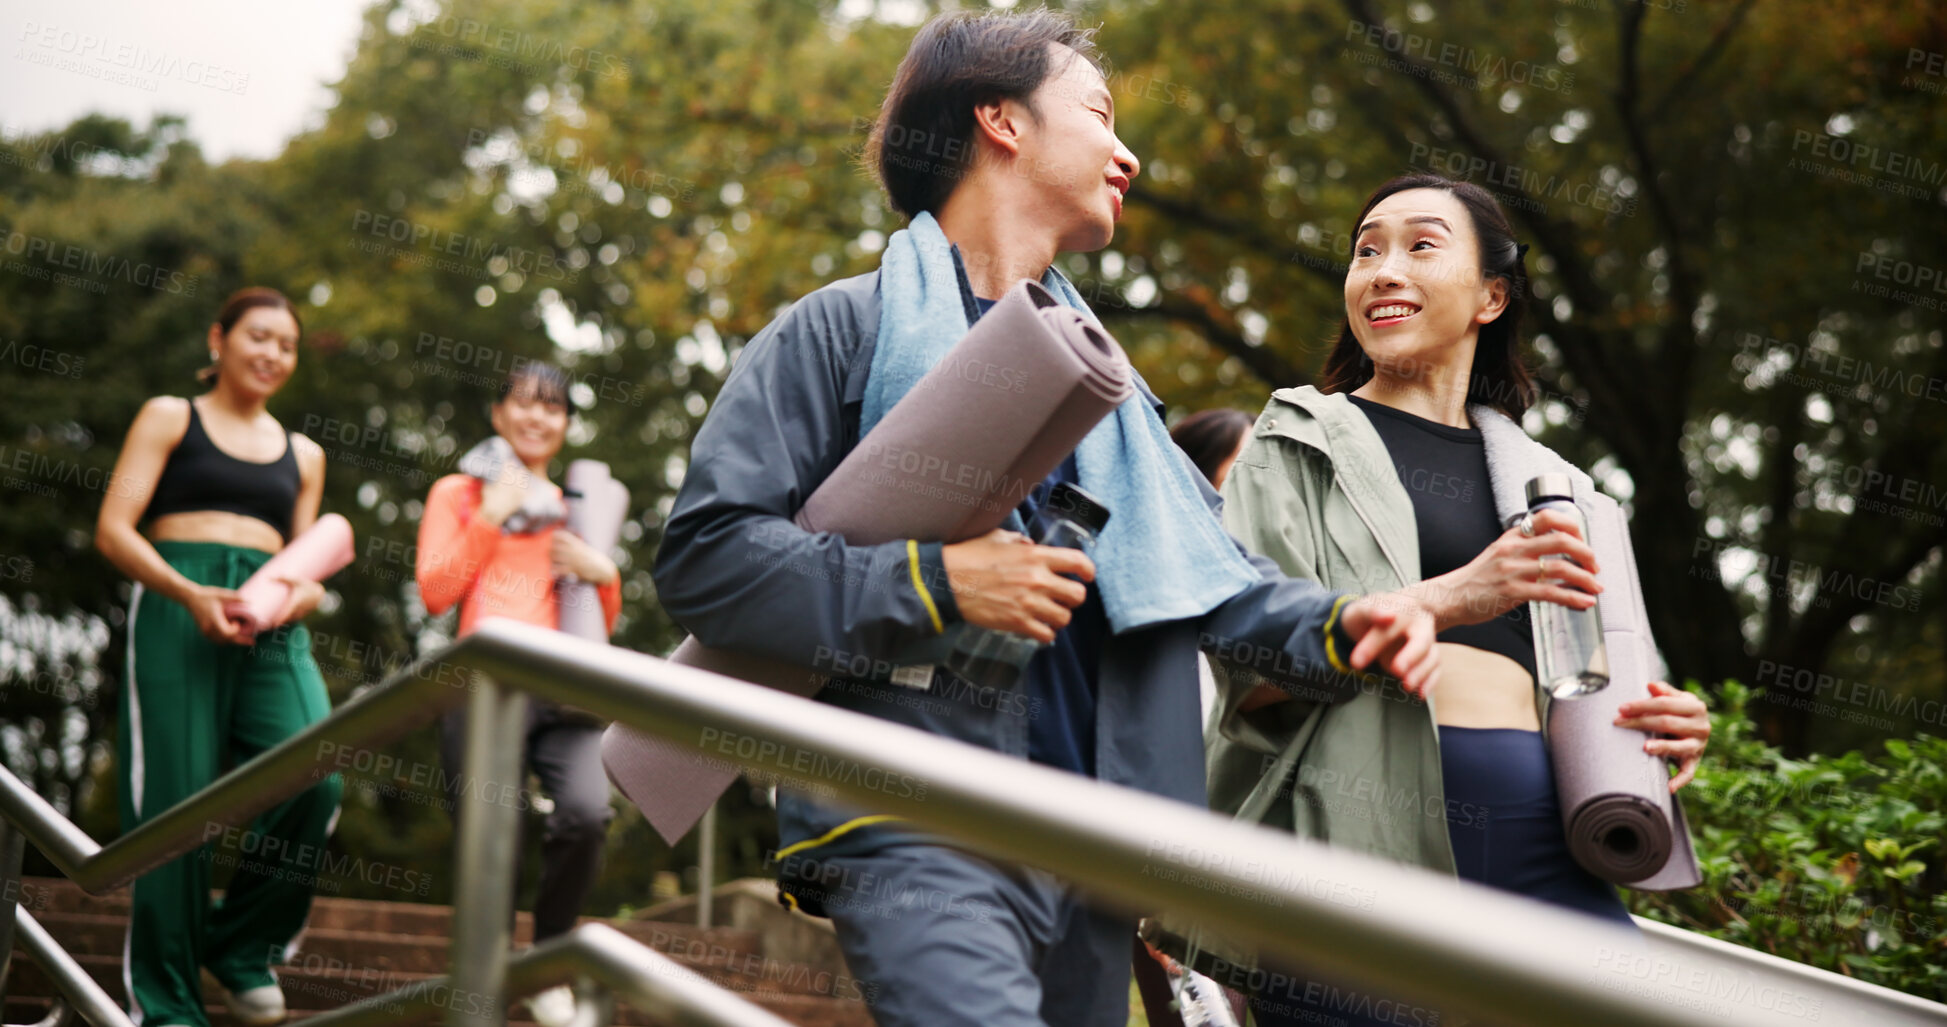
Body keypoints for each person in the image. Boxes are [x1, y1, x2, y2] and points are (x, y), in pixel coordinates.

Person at [649, 12, 1442, 1027]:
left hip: (1094, 843)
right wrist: (932, 583)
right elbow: (707, 557)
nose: (1130, 152)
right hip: (913, 818)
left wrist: (1346, 625)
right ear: (1001, 122)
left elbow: (1214, 578)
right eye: (1100, 114)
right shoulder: (837, 332)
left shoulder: (1110, 391)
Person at [1204, 174, 1712, 1026]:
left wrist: (1663, 723)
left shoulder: (1570, 495)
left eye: (1420, 245)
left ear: (1491, 296)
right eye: (1366, 250)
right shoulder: (1291, 443)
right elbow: (1249, 675)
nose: (1382, 269)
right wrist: (1452, 595)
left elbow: (1606, 681)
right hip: (1351, 854)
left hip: (1546, 849)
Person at [95, 287, 342, 1027]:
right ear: (218, 339)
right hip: (179, 600)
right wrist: (189, 591)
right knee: (176, 803)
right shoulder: (172, 416)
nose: (271, 353)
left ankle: (240, 945)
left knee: (316, 771)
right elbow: (114, 527)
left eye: (286, 344)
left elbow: (307, 571)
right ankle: (168, 1007)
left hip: (266, 615)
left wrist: (292, 601)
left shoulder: (306, 454)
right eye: (257, 336)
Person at [414, 361, 621, 1027]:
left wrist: (604, 572)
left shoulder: (578, 507)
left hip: (565, 688)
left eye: (552, 407)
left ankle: (548, 960)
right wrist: (490, 519)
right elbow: (435, 590)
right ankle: (491, 966)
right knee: (489, 829)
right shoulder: (461, 491)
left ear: (565, 424)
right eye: (524, 404)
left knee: (587, 811)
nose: (537, 417)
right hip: (484, 684)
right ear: (499, 413)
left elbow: (599, 622)